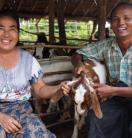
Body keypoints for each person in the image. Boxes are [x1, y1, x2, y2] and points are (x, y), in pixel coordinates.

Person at [0, 10, 70, 138]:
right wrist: (1, 117)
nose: (6, 34)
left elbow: (40, 89)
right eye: (1, 28)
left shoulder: (28, 60)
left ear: (18, 33)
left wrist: (58, 87)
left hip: (22, 111)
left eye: (12, 29)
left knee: (39, 134)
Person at [71, 2, 132, 138]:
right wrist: (78, 64)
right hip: (117, 98)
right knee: (96, 117)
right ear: (111, 24)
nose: (121, 22)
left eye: (127, 18)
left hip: (117, 92)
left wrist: (113, 90)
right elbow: (78, 53)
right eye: (115, 19)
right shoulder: (106, 45)